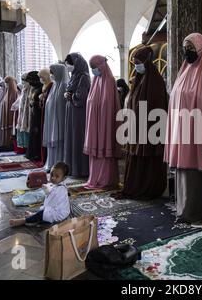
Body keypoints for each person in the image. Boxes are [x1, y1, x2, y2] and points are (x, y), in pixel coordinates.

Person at [164, 33, 202, 227]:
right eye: (185, 47)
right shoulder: (185, 71)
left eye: (191, 47)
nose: (187, 51)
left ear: (201, 49)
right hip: (183, 132)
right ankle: (184, 209)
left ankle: (197, 211)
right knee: (184, 174)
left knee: (198, 177)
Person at [115, 46, 168, 200]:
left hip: (149, 129)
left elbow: (156, 108)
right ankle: (135, 186)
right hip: (136, 128)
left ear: (146, 62)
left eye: (138, 62)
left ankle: (147, 187)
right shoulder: (139, 80)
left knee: (147, 160)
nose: (136, 66)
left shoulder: (155, 81)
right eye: (134, 63)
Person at [84, 56, 122, 190]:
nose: (93, 70)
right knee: (96, 151)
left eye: (95, 67)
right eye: (92, 68)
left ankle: (106, 179)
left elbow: (110, 106)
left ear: (102, 66)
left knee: (105, 149)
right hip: (95, 123)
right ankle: (95, 177)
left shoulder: (110, 81)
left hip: (106, 123)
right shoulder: (95, 80)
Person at [9, 162, 71, 227]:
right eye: (52, 174)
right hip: (54, 209)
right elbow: (49, 197)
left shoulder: (61, 190)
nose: (53, 178)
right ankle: (34, 215)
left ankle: (24, 220)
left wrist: (47, 191)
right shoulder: (57, 184)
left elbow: (50, 202)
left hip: (59, 213)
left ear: (64, 178)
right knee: (43, 211)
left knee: (43, 214)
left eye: (57, 176)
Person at [64, 53, 90, 177]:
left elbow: (82, 97)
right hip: (71, 111)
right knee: (71, 138)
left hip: (79, 113)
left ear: (76, 63)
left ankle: (81, 169)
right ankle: (72, 168)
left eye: (70, 64)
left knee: (78, 138)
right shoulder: (74, 76)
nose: (68, 66)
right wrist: (67, 94)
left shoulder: (83, 77)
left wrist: (70, 96)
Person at [43, 64, 69, 172]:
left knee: (59, 144)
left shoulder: (64, 85)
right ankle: (51, 163)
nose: (52, 75)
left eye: (53, 73)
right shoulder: (54, 85)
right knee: (52, 143)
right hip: (52, 120)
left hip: (60, 121)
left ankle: (58, 165)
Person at [26, 71, 44, 161]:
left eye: (31, 80)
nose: (30, 82)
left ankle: (37, 154)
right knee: (33, 133)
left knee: (37, 133)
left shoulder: (41, 88)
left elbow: (41, 103)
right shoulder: (35, 89)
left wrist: (35, 103)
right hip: (34, 113)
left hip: (39, 114)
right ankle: (33, 153)